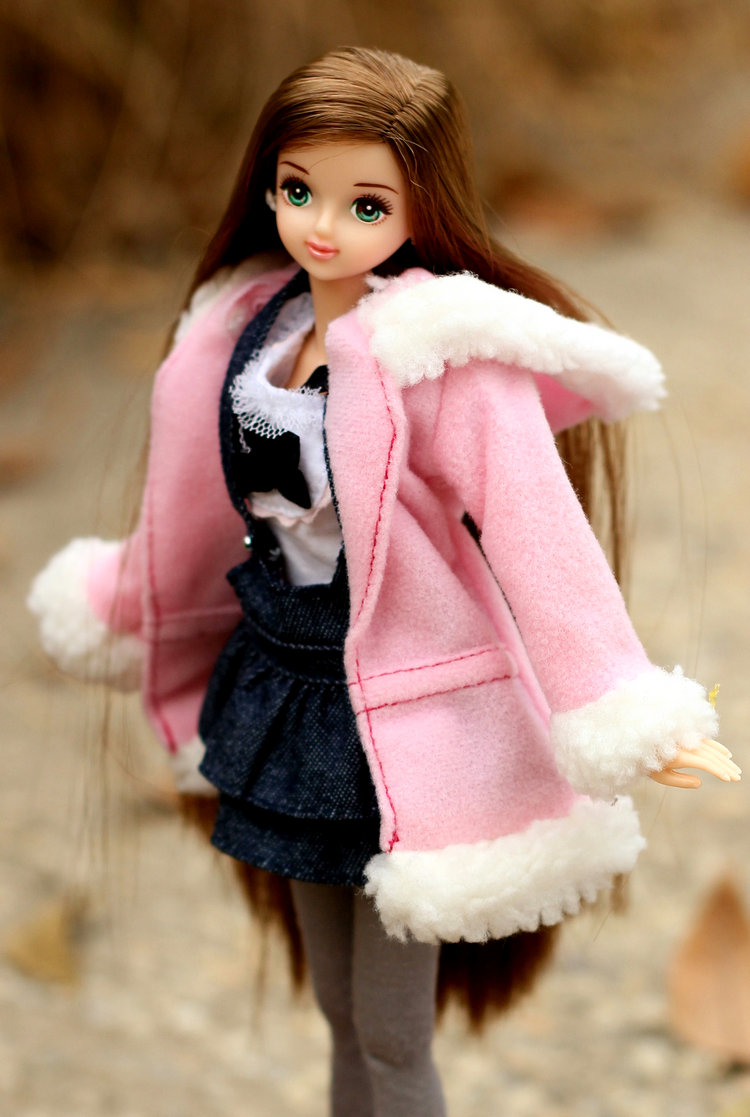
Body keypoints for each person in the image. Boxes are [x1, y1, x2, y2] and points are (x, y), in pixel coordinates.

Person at [28, 46, 740, 1117]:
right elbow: (185, 514)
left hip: (407, 705)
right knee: (337, 1006)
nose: (322, 226)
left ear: (422, 206)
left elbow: (534, 528)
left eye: (365, 204)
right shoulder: (242, 333)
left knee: (395, 1031)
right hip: (283, 684)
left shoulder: (434, 356)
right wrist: (119, 606)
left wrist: (620, 701)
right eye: (298, 189)